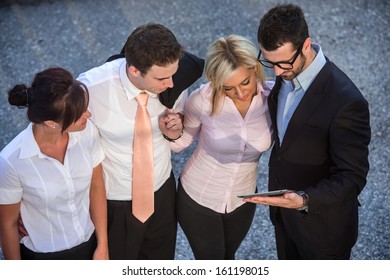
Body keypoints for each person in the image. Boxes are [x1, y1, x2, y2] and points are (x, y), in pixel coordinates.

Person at [244, 3, 371, 259]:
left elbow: (352, 177)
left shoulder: (346, 102)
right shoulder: (285, 74)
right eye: (270, 63)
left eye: (284, 63)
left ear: (306, 45)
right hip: (284, 219)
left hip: (323, 231)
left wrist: (303, 199)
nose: (278, 72)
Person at [77, 23, 203, 260]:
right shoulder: (91, 89)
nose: (171, 84)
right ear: (134, 70)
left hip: (163, 193)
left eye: (173, 74)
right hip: (115, 201)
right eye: (162, 78)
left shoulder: (172, 76)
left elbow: (174, 137)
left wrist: (173, 131)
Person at [170, 35, 273, 259]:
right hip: (198, 199)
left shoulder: (273, 98)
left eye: (245, 81)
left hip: (243, 200)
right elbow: (181, 144)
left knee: (229, 258)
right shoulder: (202, 101)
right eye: (229, 88)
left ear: (254, 68)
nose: (241, 93)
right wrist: (172, 131)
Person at [0, 67, 108, 260]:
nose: (88, 115)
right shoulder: (11, 162)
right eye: (80, 113)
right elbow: (7, 225)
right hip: (42, 257)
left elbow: (97, 186)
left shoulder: (87, 132)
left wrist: (102, 246)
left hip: (89, 246)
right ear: (51, 123)